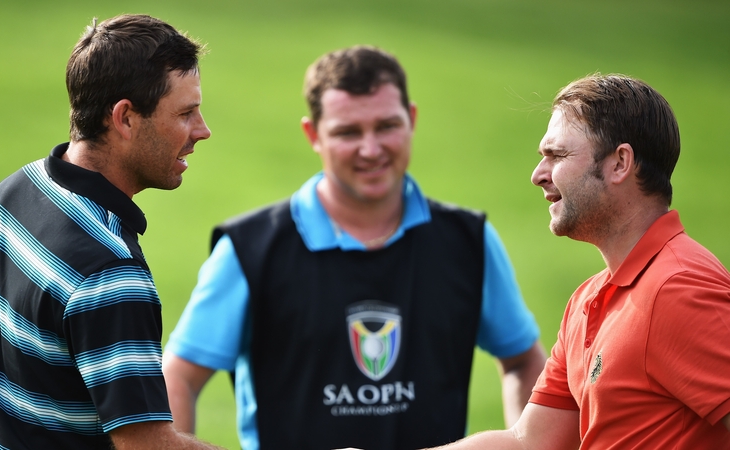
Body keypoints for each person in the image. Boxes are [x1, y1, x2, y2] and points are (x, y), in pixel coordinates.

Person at [162, 45, 547, 450]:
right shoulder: (250, 250)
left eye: (386, 126)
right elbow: (179, 377)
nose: (371, 149)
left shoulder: (468, 240)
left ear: (412, 120)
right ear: (313, 135)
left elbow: (523, 361)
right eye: (348, 132)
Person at [0, 14, 223, 450]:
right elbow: (145, 445)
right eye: (186, 113)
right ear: (125, 118)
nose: (202, 131)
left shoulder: (4, 198)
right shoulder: (110, 272)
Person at [422, 74, 730, 449]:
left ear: (620, 163)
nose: (538, 175)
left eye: (557, 156)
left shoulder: (679, 287)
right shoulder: (588, 300)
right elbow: (528, 443)